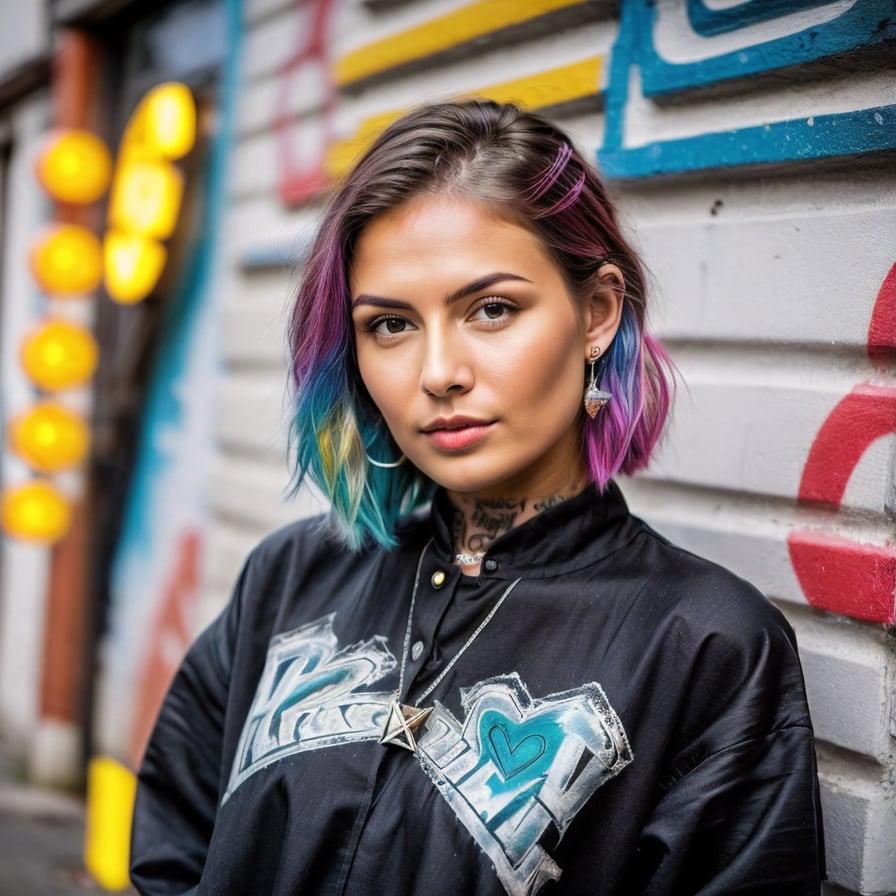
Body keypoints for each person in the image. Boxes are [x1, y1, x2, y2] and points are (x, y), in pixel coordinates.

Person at [130, 100, 824, 895]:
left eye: (490, 309)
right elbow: (171, 850)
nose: (438, 372)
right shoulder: (291, 578)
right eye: (390, 325)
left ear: (595, 313)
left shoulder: (705, 646)